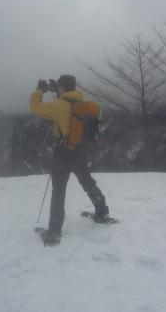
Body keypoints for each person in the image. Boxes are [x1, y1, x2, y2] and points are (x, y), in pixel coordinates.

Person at [30, 74, 110, 246]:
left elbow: (35, 108)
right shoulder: (82, 104)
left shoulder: (60, 105)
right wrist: (58, 93)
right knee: (88, 183)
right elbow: (67, 110)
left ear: (62, 87)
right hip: (80, 151)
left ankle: (54, 231)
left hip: (63, 153)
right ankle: (102, 212)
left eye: (59, 86)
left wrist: (39, 91)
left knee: (58, 191)